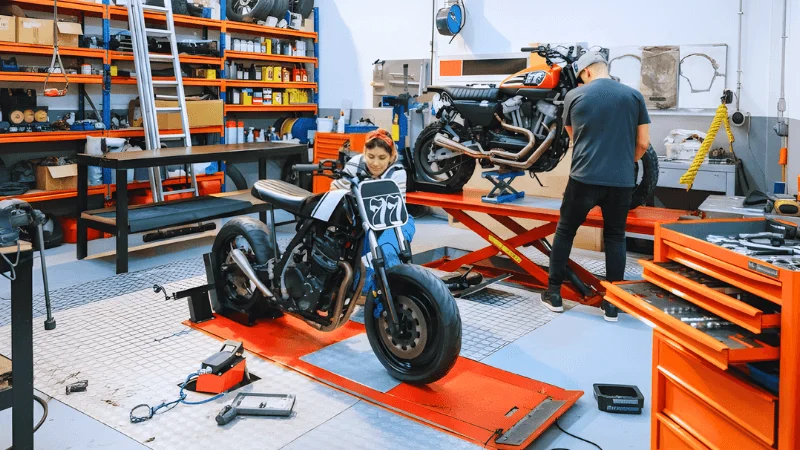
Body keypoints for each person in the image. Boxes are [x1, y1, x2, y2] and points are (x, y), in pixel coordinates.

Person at [540, 51, 651, 322]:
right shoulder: (634, 96)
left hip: (583, 178)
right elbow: (643, 143)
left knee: (565, 231)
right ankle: (612, 303)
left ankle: (554, 294)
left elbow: (572, 135)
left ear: (587, 71)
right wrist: (625, 162)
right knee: (615, 236)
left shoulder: (574, 95)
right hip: (621, 182)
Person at [330, 128, 415, 294]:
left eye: (382, 158)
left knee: (386, 250)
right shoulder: (355, 164)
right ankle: (362, 292)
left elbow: (394, 209)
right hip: (361, 221)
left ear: (391, 156)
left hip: (393, 221)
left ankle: (392, 293)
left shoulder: (397, 172)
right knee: (355, 254)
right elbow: (335, 189)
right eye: (371, 156)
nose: (375, 163)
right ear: (364, 153)